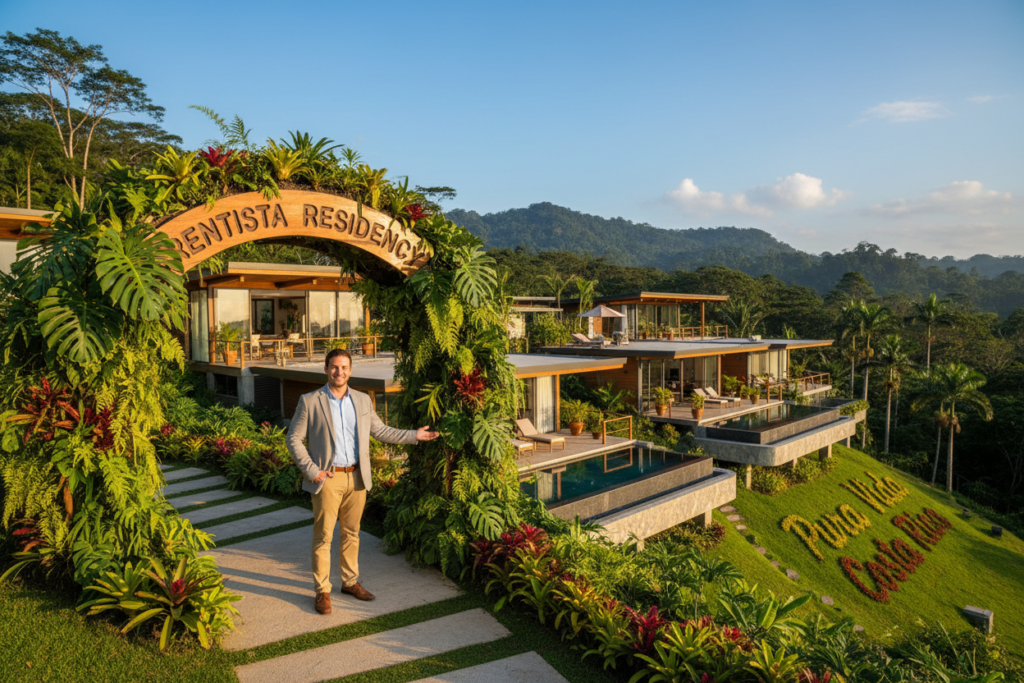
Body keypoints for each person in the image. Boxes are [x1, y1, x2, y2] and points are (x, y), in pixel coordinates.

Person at [287, 348, 439, 615]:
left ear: (350, 370)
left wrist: (413, 435)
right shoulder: (310, 401)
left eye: (344, 367)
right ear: (326, 369)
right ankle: (322, 591)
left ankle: (349, 582)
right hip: (328, 479)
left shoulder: (362, 400)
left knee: (352, 533)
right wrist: (313, 471)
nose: (339, 372)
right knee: (323, 537)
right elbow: (293, 439)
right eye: (334, 367)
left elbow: (380, 431)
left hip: (357, 478)